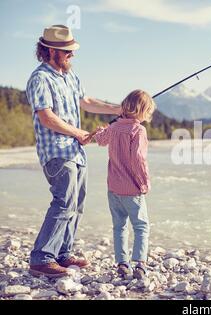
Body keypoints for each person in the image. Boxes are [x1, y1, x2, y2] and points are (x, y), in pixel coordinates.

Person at [26, 25, 122, 278]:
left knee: (76, 204)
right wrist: (78, 133)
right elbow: (46, 117)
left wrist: (119, 109)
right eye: (66, 51)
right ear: (49, 51)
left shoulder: (71, 77)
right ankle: (41, 258)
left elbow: (87, 103)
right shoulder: (40, 78)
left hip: (76, 152)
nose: (71, 54)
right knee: (63, 202)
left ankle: (62, 253)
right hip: (56, 152)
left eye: (71, 50)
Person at [94, 90, 155, 279]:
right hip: (131, 189)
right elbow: (138, 159)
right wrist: (144, 183)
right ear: (143, 111)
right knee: (141, 226)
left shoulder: (113, 128)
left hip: (113, 188)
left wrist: (99, 131)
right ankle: (140, 264)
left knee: (119, 226)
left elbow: (100, 141)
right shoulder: (139, 130)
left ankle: (122, 263)